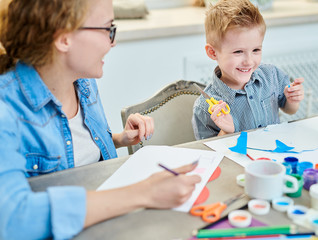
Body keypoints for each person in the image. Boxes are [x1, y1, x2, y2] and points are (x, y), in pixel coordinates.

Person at [0, 0, 201, 239]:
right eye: (108, 29)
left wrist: (118, 138)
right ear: (64, 38)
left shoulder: (83, 81)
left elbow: (76, 147)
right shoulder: (6, 108)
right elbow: (13, 219)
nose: (113, 42)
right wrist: (143, 193)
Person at [192, 0, 305, 140]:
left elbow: (290, 110)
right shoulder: (204, 107)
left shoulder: (272, 75)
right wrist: (226, 133)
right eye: (238, 52)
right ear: (213, 53)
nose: (249, 61)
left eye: (256, 50)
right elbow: (209, 155)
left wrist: (293, 100)